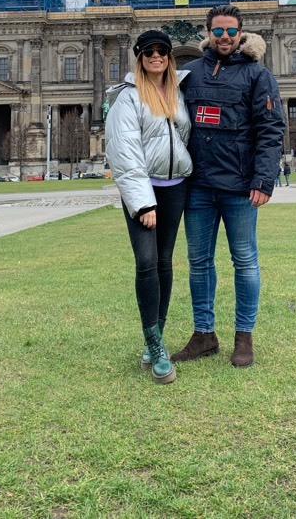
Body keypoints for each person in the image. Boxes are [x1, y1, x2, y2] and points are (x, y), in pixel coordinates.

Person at [172, 4, 286, 368]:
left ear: (240, 34)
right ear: (208, 33)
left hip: (240, 186)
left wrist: (264, 178)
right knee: (199, 263)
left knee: (245, 262)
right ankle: (204, 334)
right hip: (199, 186)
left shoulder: (258, 75)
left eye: (230, 31)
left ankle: (244, 337)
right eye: (217, 31)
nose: (224, 37)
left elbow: (271, 130)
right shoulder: (188, 73)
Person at [105, 29, 192, 385]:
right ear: (139, 57)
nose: (155, 56)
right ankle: (155, 344)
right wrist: (142, 203)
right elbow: (124, 153)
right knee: (145, 263)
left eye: (162, 51)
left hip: (176, 187)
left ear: (170, 57)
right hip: (147, 191)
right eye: (148, 51)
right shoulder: (127, 98)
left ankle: (154, 336)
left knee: (164, 262)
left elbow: (182, 138)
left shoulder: (177, 92)